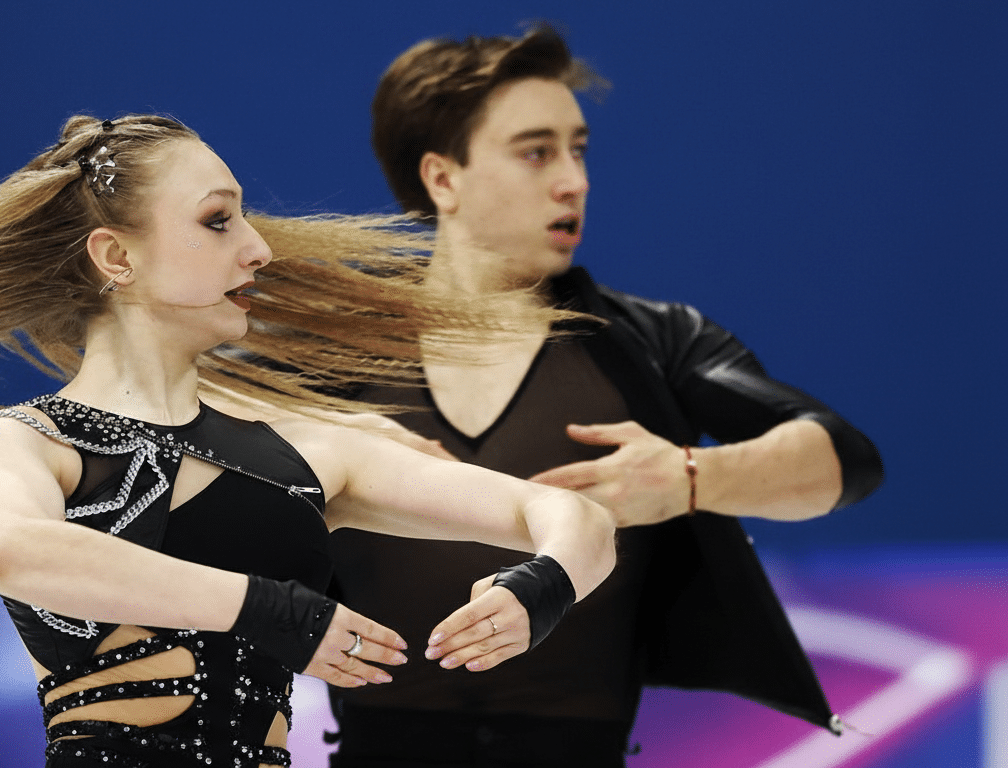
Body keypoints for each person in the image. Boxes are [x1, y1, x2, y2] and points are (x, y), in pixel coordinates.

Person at [0, 114, 616, 768]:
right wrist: (265, 608)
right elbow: (13, 553)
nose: (258, 248)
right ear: (116, 256)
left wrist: (540, 588)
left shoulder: (311, 450)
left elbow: (574, 519)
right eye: (217, 219)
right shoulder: (21, 444)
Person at [324, 24, 885, 767]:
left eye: (578, 150)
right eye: (536, 152)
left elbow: (848, 460)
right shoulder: (329, 357)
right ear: (443, 178)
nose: (574, 180)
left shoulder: (650, 343)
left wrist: (694, 477)